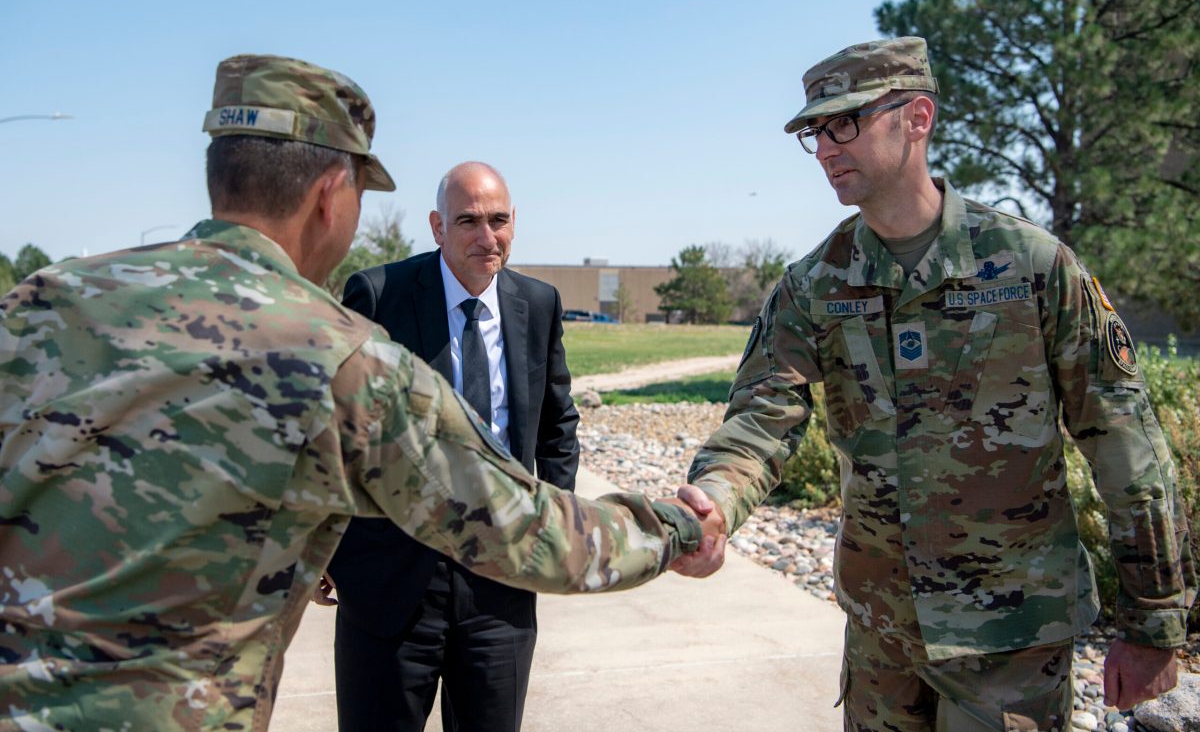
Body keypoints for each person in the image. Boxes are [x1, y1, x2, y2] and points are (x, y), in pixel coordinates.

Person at [0, 54, 722, 731]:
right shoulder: (338, 356)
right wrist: (678, 530)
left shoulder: (41, 303)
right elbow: (527, 530)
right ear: (330, 195)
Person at [680, 37, 1196, 730]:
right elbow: (764, 417)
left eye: (845, 123)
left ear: (916, 117)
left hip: (1011, 640)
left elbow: (1125, 441)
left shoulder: (1031, 267)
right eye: (814, 132)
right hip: (881, 635)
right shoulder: (813, 285)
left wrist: (1155, 619)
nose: (827, 148)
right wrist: (714, 500)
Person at [327, 161, 579, 731]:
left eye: (498, 220)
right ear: (438, 226)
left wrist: (551, 525)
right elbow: (337, 432)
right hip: (393, 584)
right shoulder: (379, 295)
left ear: (514, 222)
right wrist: (332, 547)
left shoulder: (539, 304)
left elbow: (557, 426)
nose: (486, 238)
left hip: (501, 584)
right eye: (468, 221)